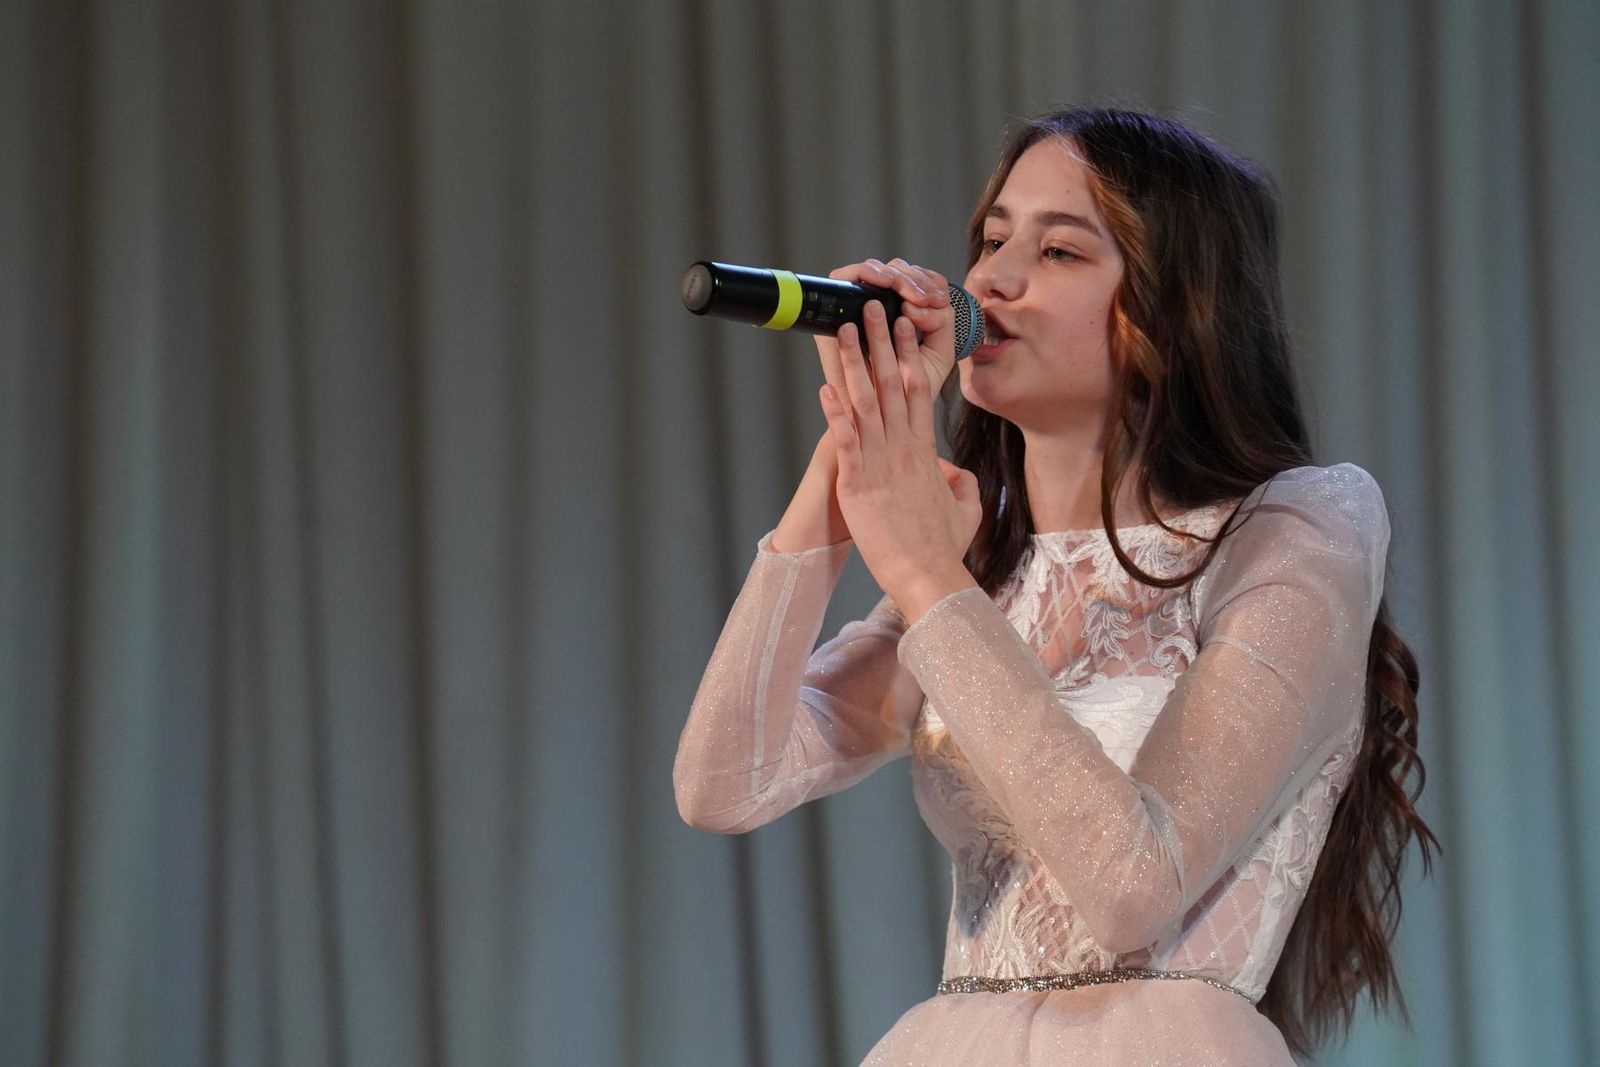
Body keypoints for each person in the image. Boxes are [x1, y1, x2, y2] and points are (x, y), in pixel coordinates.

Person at [673, 107, 1439, 1065]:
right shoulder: (980, 569)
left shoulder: (1296, 528)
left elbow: (1132, 887)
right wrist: (848, 460)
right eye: (993, 241)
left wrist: (922, 571)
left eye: (1059, 250)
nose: (991, 279)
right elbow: (721, 783)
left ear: (1174, 307)